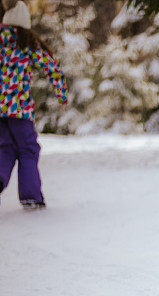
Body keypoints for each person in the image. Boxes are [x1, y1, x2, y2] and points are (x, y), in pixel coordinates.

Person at [0, 0, 69, 210]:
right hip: (20, 110)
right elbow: (52, 68)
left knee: (5, 148)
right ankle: (30, 196)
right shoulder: (27, 43)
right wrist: (62, 94)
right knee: (28, 149)